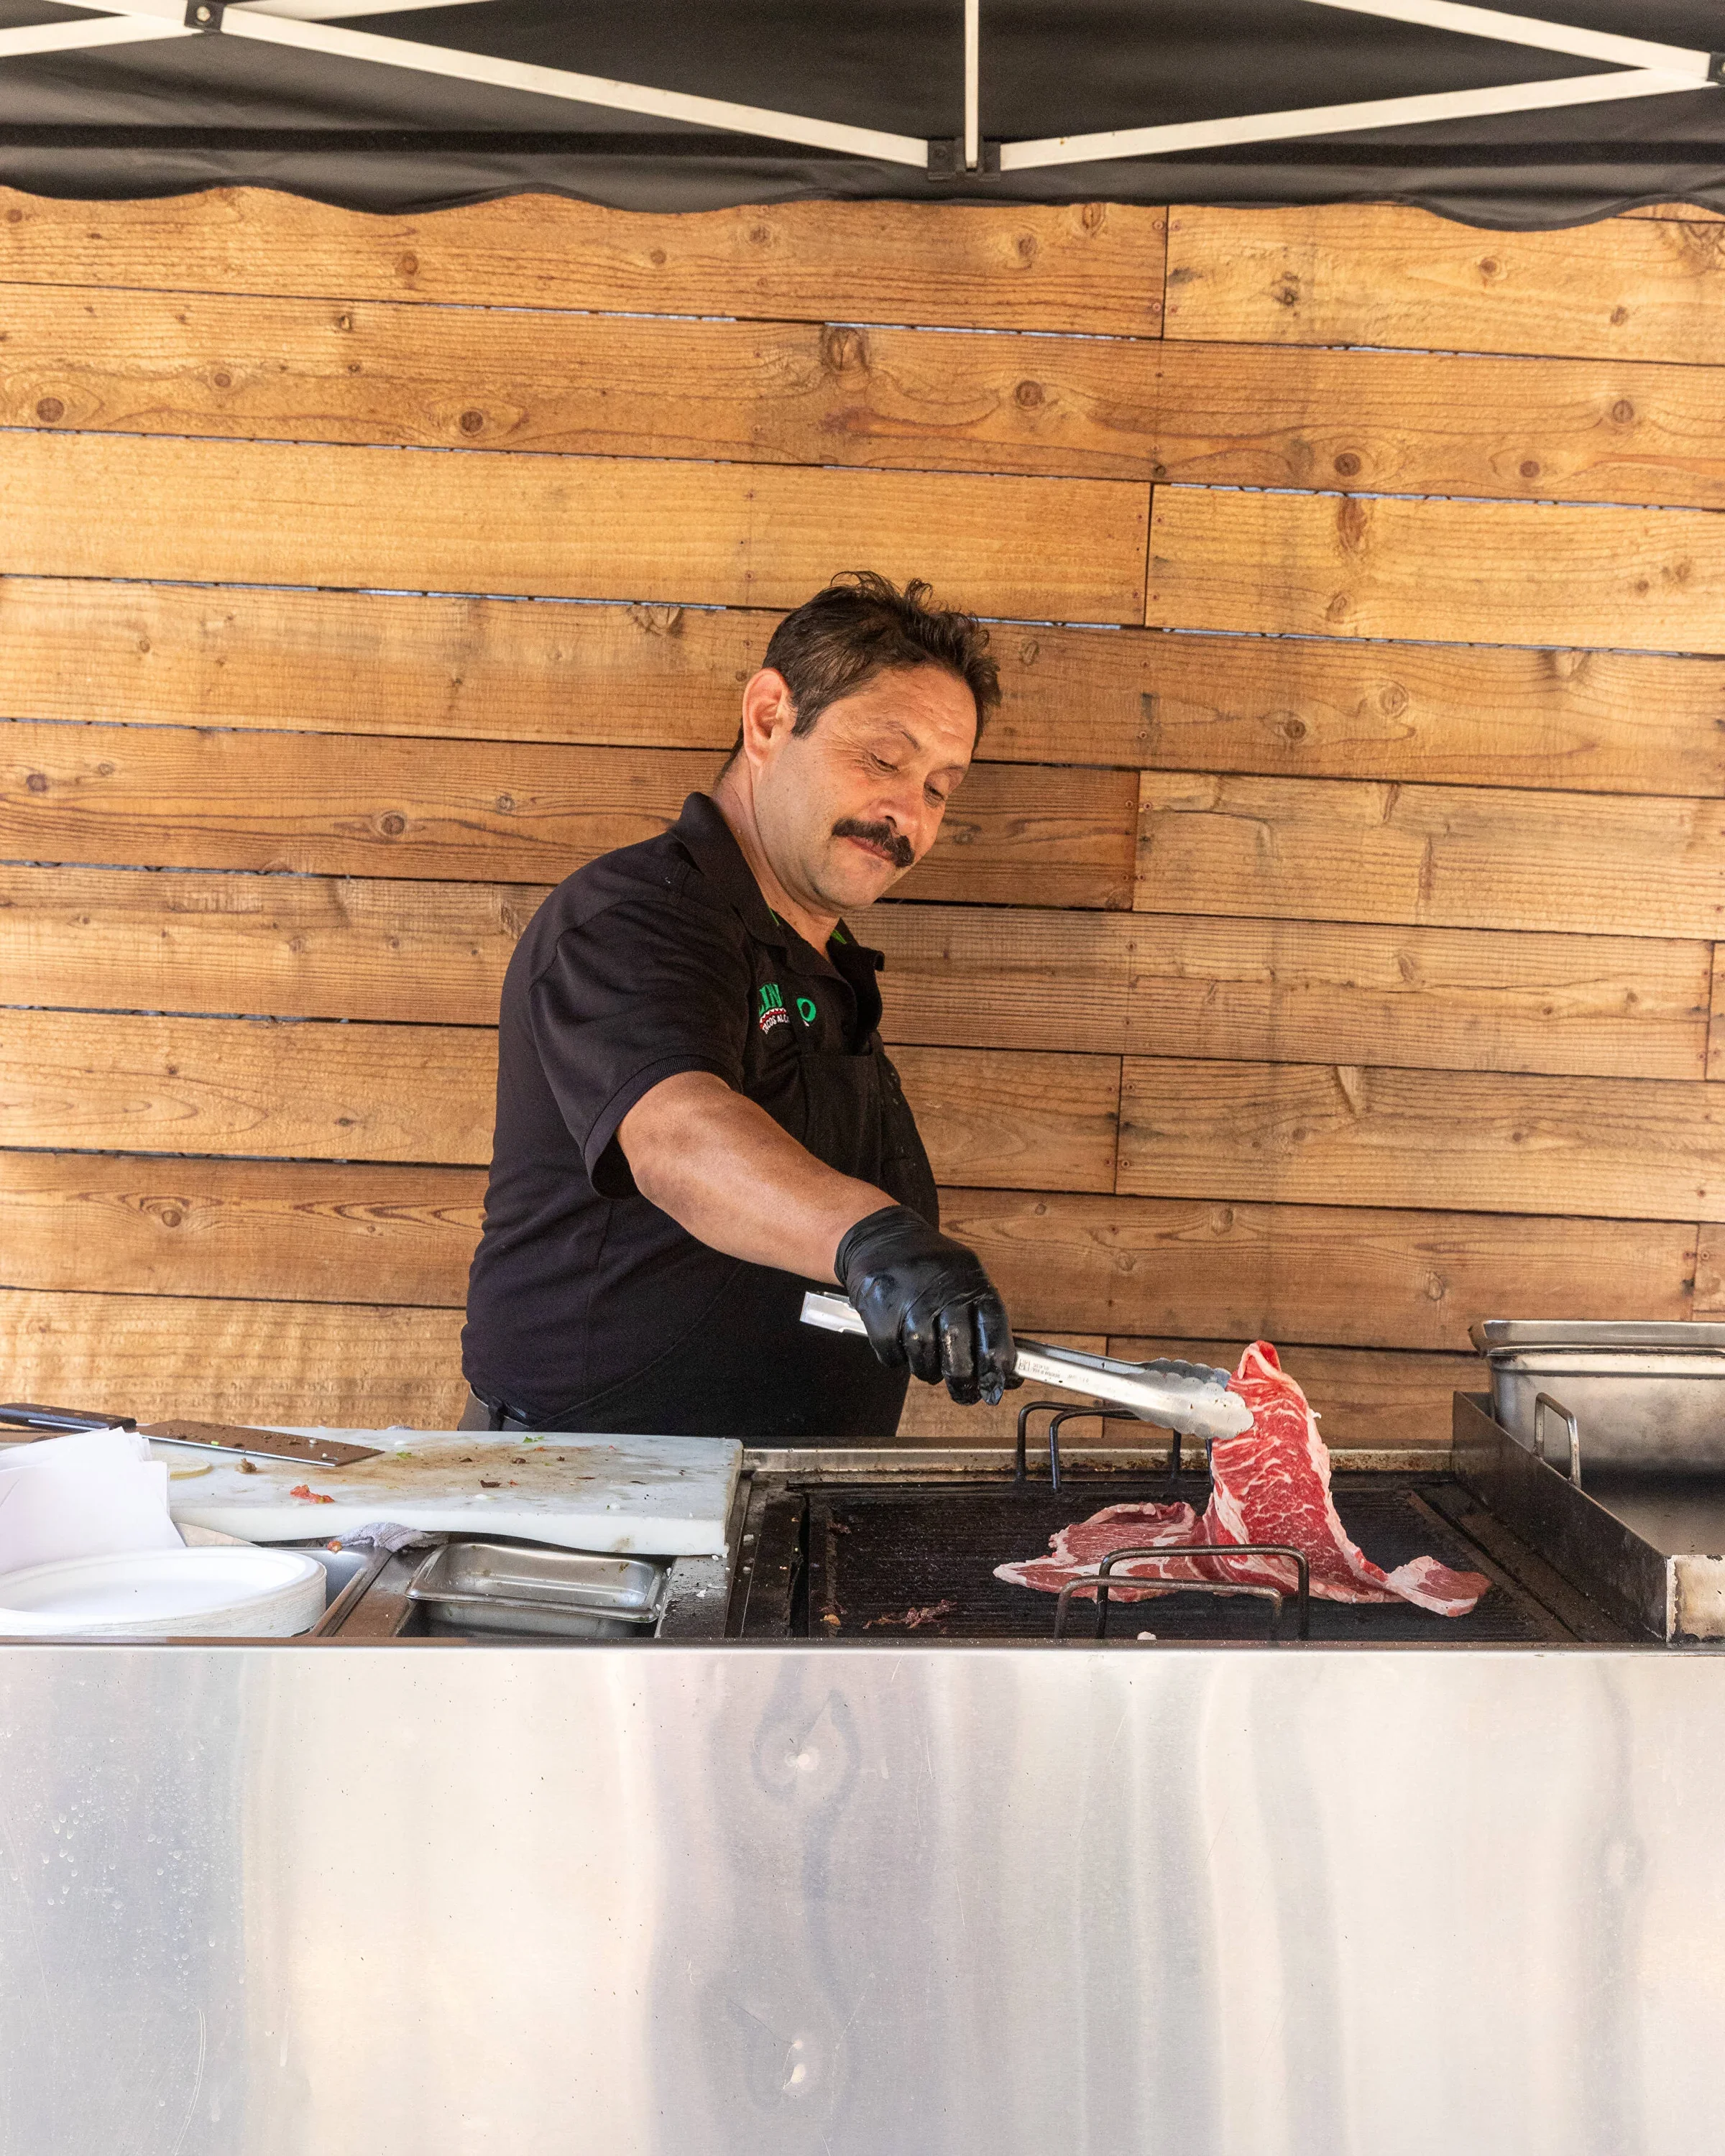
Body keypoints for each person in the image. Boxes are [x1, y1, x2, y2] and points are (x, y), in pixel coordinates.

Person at [459, 571, 1020, 1439]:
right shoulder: (636, 918)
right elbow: (678, 1136)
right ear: (769, 719)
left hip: (778, 1495)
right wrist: (877, 1240)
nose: (906, 814)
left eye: (940, 788)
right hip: (590, 1496)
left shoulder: (820, 962)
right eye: (883, 759)